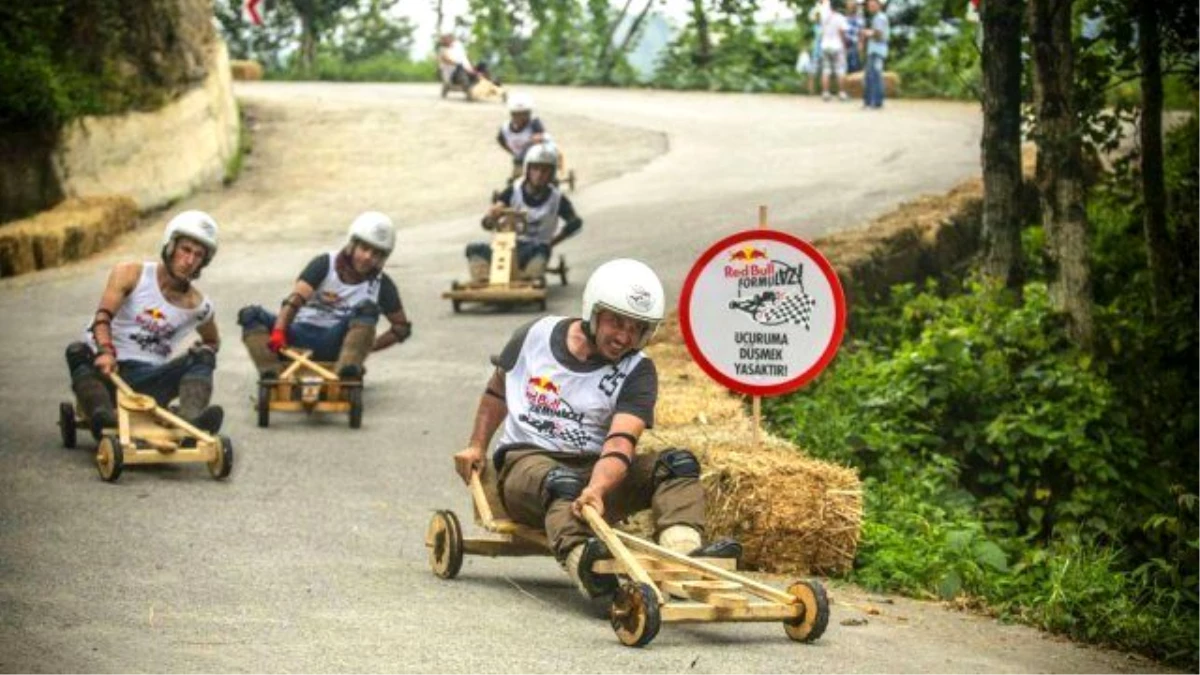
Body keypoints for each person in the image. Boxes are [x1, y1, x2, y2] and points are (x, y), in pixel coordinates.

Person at [452, 259, 741, 598]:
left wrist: (599, 488)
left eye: (637, 329)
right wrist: (476, 445)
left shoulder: (638, 370)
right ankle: (586, 565)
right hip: (527, 465)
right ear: (593, 311)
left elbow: (621, 441)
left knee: (677, 464)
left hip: (597, 470)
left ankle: (684, 554)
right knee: (563, 483)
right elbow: (497, 391)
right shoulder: (535, 335)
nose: (624, 337)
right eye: (616, 322)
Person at [64, 211, 225, 439]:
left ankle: (191, 422)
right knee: (76, 351)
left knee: (205, 357)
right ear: (170, 246)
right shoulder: (131, 274)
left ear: (204, 262)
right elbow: (102, 318)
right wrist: (105, 351)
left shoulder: (199, 305)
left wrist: (201, 350)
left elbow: (212, 341)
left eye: (198, 255)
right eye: (185, 250)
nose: (190, 261)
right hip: (107, 373)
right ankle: (102, 414)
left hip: (149, 380)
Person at [237, 212, 412, 381]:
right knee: (251, 315)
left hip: (336, 343)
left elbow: (401, 328)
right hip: (297, 336)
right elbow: (294, 300)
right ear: (352, 245)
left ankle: (347, 368)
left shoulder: (381, 284)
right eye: (364, 248)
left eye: (376, 254)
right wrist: (279, 331)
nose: (368, 257)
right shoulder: (324, 264)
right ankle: (271, 374)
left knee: (368, 309)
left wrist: (363, 348)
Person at [466, 143, 582, 283]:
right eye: (535, 169)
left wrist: (552, 242)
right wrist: (492, 216)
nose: (539, 175)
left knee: (540, 253)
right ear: (528, 170)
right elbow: (488, 222)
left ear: (551, 174)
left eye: (544, 171)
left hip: (535, 249)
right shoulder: (513, 191)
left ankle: (528, 278)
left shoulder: (556, 198)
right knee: (474, 248)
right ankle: (483, 279)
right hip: (506, 246)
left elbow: (575, 222)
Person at [497, 93, 547, 182]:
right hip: (519, 158)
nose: (520, 117)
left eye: (524, 114)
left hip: (537, 157)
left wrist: (534, 141)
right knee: (516, 173)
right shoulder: (505, 128)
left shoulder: (534, 123)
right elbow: (501, 140)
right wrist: (513, 151)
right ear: (512, 114)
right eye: (517, 114)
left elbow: (539, 135)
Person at [818, 1, 850, 101]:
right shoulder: (841, 18)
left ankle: (825, 93)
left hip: (825, 45)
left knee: (826, 70)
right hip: (837, 46)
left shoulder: (824, 17)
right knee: (840, 70)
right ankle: (841, 93)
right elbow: (842, 32)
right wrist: (845, 46)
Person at [861, 0, 890, 109]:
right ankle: (870, 101)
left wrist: (867, 33)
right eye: (869, 3)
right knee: (870, 76)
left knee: (874, 76)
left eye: (872, 3)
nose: (870, 5)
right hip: (874, 50)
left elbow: (878, 34)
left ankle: (875, 101)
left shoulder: (880, 18)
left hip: (877, 51)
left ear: (879, 5)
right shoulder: (877, 17)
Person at [844, 0, 864, 74]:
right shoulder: (845, 18)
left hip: (854, 44)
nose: (850, 6)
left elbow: (861, 31)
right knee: (847, 67)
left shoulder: (859, 17)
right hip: (845, 45)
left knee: (854, 66)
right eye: (848, 5)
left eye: (852, 5)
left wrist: (861, 43)